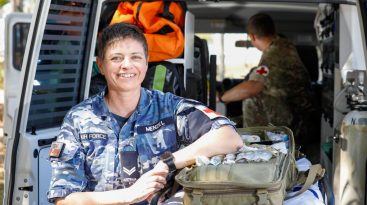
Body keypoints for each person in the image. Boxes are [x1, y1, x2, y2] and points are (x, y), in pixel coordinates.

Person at [47, 22, 243, 205]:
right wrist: (128, 194)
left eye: (135, 57)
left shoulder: (169, 107)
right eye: (116, 58)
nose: (127, 65)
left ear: (146, 63)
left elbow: (229, 137)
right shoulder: (79, 118)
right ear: (101, 65)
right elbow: (64, 198)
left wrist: (168, 163)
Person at [219, 13, 316, 154]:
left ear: (252, 37)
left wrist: (221, 97)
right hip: (297, 115)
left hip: (298, 125)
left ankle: (253, 150)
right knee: (233, 122)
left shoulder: (275, 54)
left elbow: (252, 87)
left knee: (252, 98)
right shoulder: (283, 45)